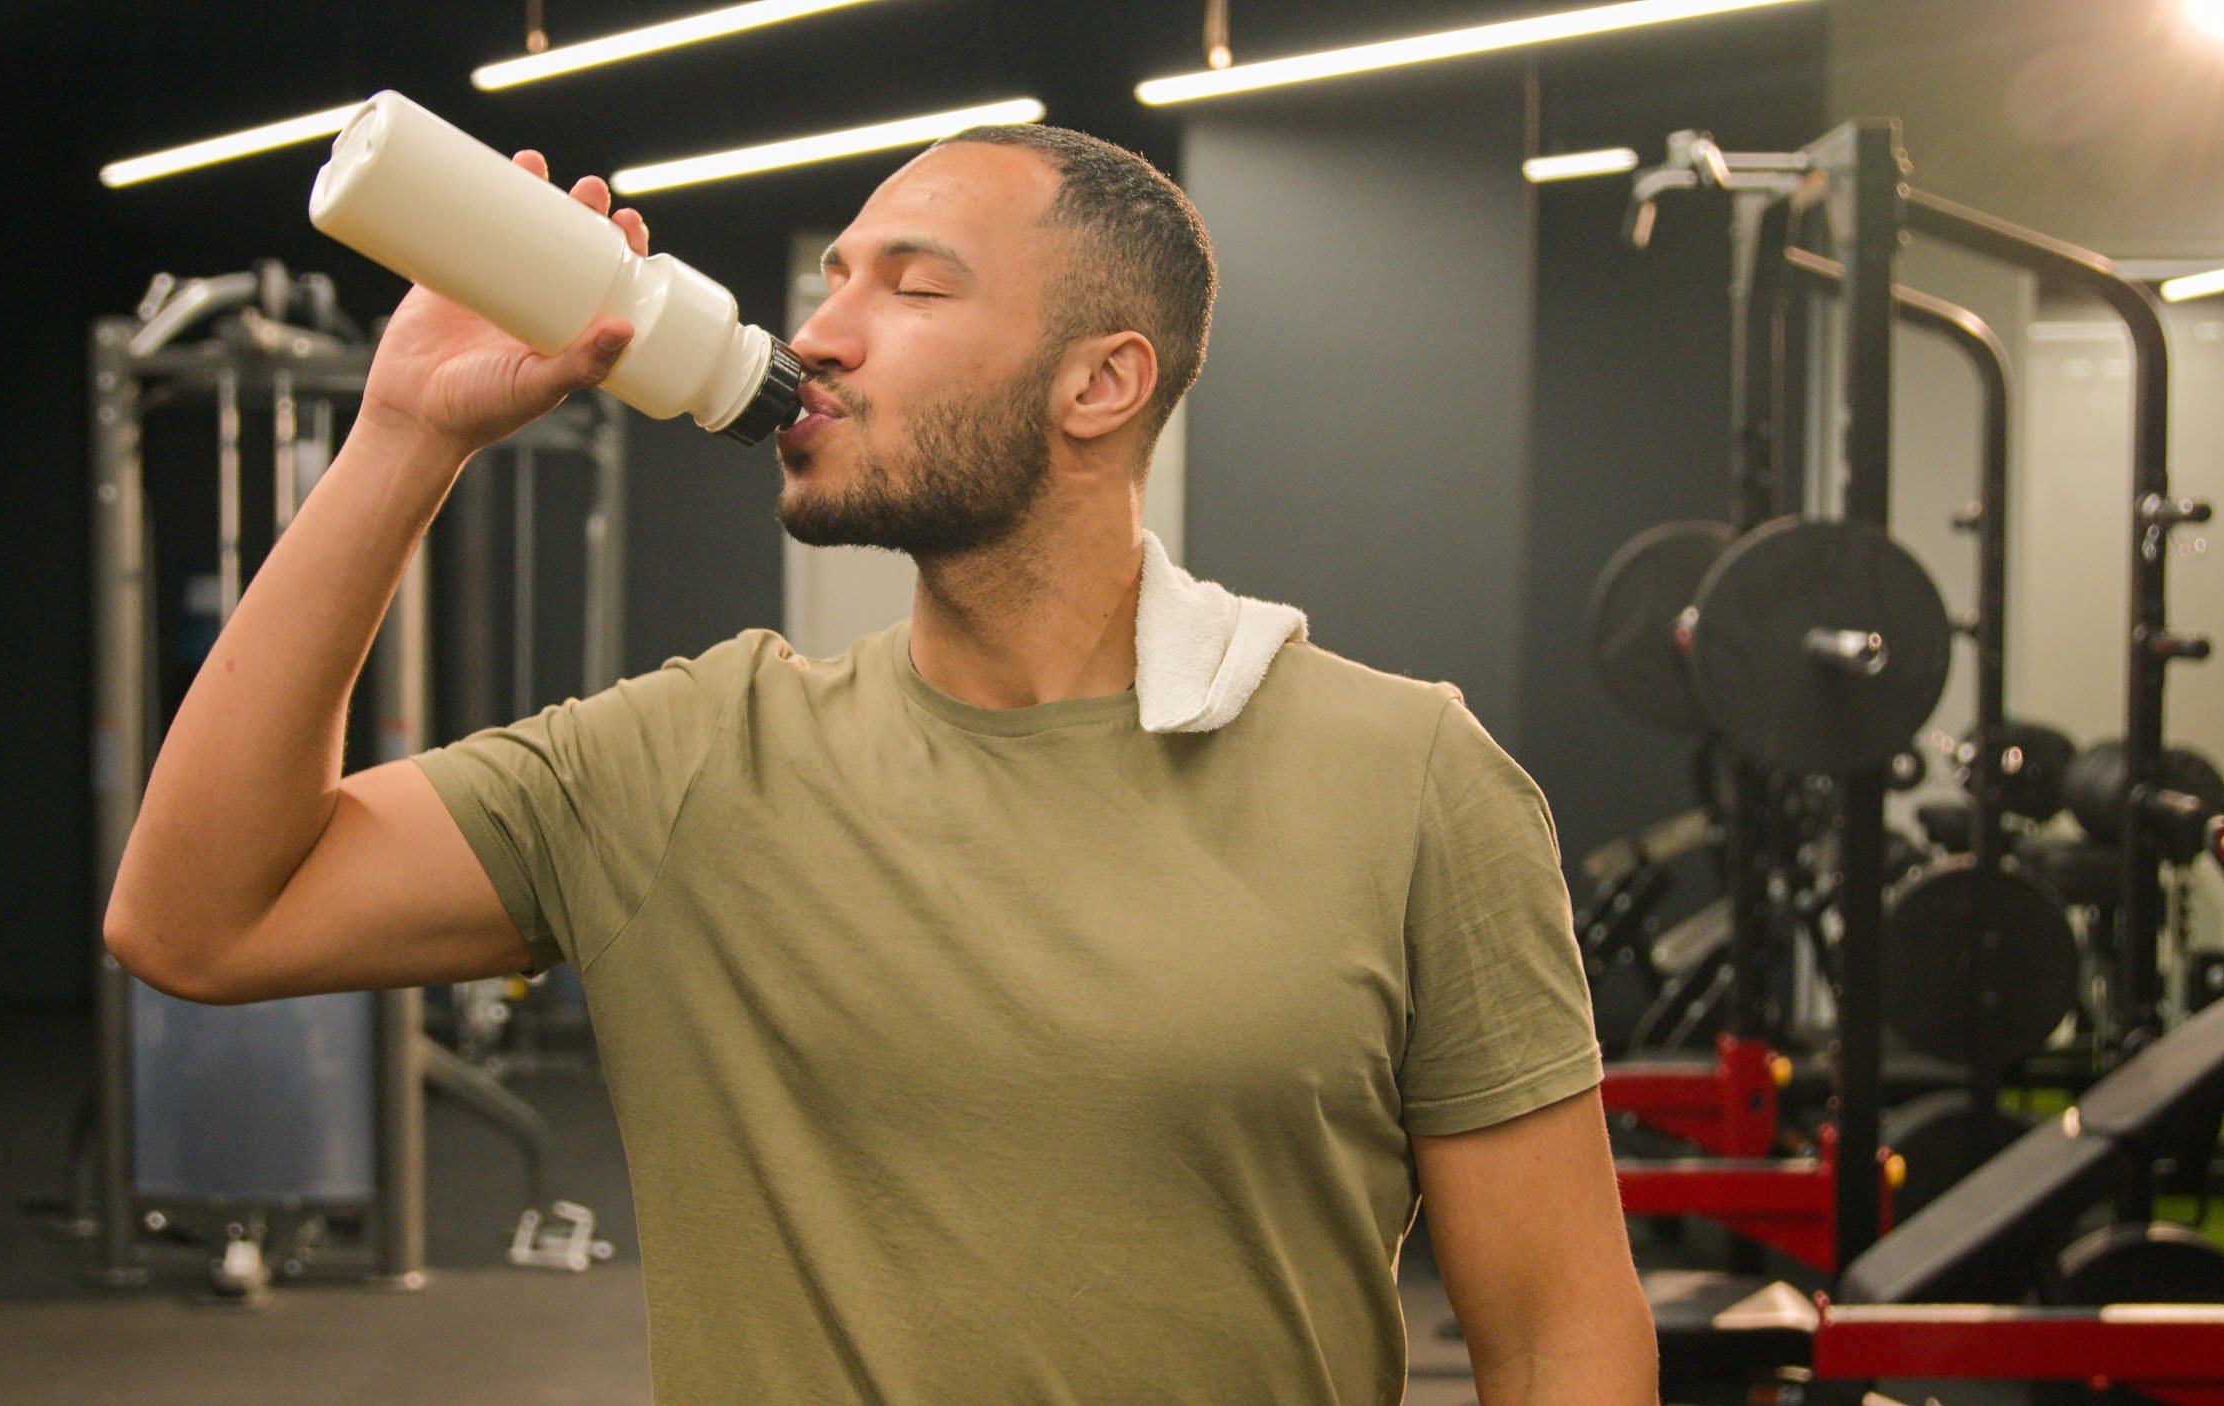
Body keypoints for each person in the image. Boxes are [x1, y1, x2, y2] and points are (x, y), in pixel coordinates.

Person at [107, 124, 1656, 1405]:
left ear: (1101, 383)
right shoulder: (683, 764)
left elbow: (1557, 1335)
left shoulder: (1407, 782)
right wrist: (400, 436)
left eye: (911, 287)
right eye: (828, 277)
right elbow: (196, 918)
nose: (822, 329)